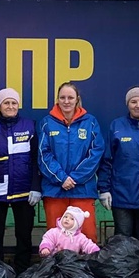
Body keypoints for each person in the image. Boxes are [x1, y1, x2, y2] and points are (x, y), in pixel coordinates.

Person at [0, 88, 42, 273]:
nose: (10, 106)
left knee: (24, 235)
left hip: (24, 191)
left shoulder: (30, 125)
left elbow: (36, 159)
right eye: (6, 103)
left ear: (18, 105)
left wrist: (36, 187)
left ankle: (23, 273)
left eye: (14, 102)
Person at [97, 86, 139, 251]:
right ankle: (123, 273)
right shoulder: (117, 126)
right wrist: (104, 189)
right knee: (123, 237)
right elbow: (107, 160)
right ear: (128, 105)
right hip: (122, 194)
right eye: (133, 101)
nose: (138, 105)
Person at [38, 81, 105, 242]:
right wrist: (62, 178)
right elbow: (43, 154)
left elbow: (96, 153)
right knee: (55, 239)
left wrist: (74, 178)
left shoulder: (90, 122)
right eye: (62, 97)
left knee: (86, 238)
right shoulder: (47, 122)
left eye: (70, 97)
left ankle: (84, 267)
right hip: (55, 190)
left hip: (82, 190)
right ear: (57, 100)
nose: (66, 101)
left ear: (77, 99)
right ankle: (57, 268)